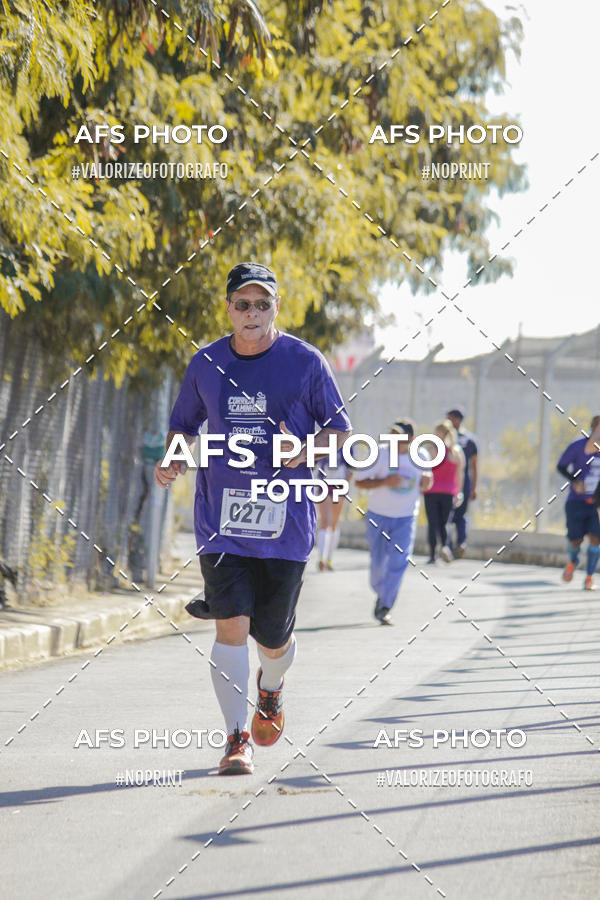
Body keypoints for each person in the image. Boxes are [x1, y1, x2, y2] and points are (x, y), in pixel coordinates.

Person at [154, 262, 351, 774]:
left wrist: (302, 450)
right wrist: (174, 458)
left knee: (273, 639)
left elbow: (340, 434)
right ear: (228, 308)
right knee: (230, 630)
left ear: (275, 308)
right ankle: (235, 738)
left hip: (286, 526)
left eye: (263, 304)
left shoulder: (305, 362)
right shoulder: (205, 364)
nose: (253, 313)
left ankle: (272, 687)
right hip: (222, 522)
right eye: (243, 304)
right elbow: (183, 426)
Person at [355, 419, 433, 625]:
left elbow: (426, 482)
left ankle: (385, 605)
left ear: (411, 440)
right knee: (378, 563)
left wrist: (427, 482)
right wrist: (384, 481)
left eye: (399, 436)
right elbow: (359, 481)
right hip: (378, 516)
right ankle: (381, 592)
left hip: (406, 517)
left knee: (399, 560)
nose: (394, 440)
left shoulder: (421, 457)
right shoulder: (380, 453)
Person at [556, 414, 600, 591]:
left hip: (596, 504)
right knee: (575, 540)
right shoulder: (578, 446)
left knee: (596, 539)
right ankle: (573, 559)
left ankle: (589, 576)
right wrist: (575, 481)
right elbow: (561, 466)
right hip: (576, 501)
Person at [423, 419, 465, 563]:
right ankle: (445, 547)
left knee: (433, 523)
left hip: (432, 490)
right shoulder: (456, 452)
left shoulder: (432, 450)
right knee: (443, 523)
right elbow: (460, 473)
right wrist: (459, 491)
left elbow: (424, 470)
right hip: (447, 492)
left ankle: (434, 554)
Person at [446, 407, 478, 557]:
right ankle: (448, 546)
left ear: (458, 420)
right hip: (446, 482)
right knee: (447, 515)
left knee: (460, 514)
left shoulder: (468, 440)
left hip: (462, 482)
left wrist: (473, 487)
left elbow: (474, 466)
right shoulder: (444, 438)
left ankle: (460, 543)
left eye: (451, 418)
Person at [315, 449, 351, 571]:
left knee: (334, 523)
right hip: (324, 484)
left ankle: (329, 559)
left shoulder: (347, 444)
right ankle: (321, 558)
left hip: (339, 485)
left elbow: (351, 468)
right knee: (324, 522)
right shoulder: (323, 439)